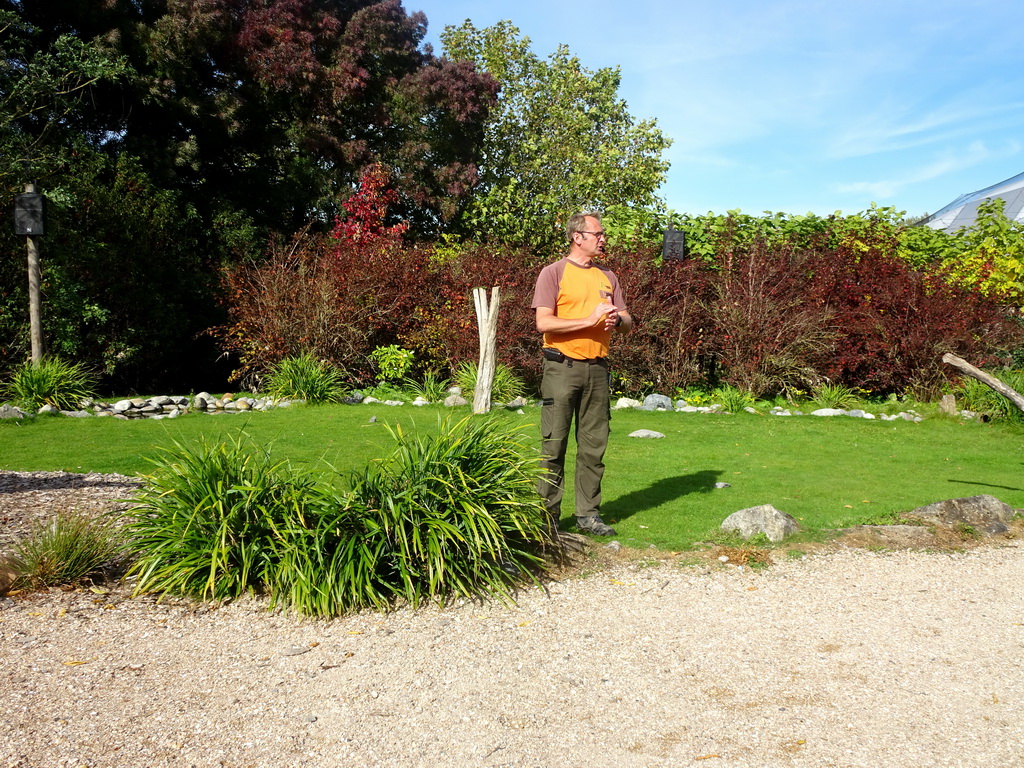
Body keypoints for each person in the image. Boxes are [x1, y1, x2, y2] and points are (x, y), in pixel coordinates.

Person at [531, 212, 632, 536]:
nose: (603, 238)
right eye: (598, 233)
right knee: (553, 446)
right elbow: (544, 323)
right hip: (562, 367)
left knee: (593, 447)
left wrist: (618, 321)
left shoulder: (608, 277)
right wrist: (589, 321)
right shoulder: (554, 273)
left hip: (598, 371)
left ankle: (588, 516)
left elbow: (628, 320)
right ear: (578, 237)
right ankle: (547, 522)